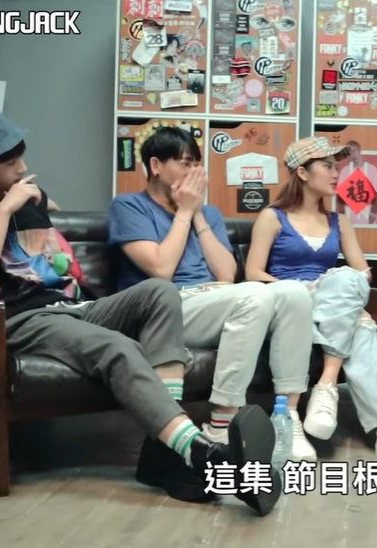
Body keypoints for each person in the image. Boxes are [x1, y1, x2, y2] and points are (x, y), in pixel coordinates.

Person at [0, 107, 281, 515]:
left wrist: (35, 203)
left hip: (76, 307)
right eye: (9, 161)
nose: (22, 168)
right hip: (24, 320)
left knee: (160, 292)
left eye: (21, 157)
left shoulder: (27, 199)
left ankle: (162, 451)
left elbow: (51, 227)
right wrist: (2, 211)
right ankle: (201, 454)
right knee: (117, 347)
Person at [107, 126, 318, 462]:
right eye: (184, 163)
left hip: (212, 299)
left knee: (294, 293)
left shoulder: (208, 215)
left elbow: (225, 275)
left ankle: (287, 417)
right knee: (255, 296)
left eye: (196, 164)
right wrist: (184, 212)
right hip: (165, 310)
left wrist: (197, 215)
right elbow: (161, 270)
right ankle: (223, 423)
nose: (194, 172)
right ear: (156, 165)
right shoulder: (129, 207)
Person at [243, 137, 377, 466]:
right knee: (358, 324)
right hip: (289, 303)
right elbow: (253, 272)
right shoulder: (273, 217)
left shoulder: (338, 222)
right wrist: (304, 290)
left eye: (336, 166)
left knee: (349, 287)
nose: (335, 173)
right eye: (327, 166)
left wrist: (336, 289)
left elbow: (362, 274)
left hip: (331, 305)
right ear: (302, 172)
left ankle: (365, 412)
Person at [338, 141, 377, 226]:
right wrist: (341, 215)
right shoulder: (345, 171)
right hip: (349, 214)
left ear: (357, 151)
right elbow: (340, 196)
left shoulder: (372, 169)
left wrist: (373, 211)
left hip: (367, 214)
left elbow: (376, 193)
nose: (351, 154)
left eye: (352, 151)